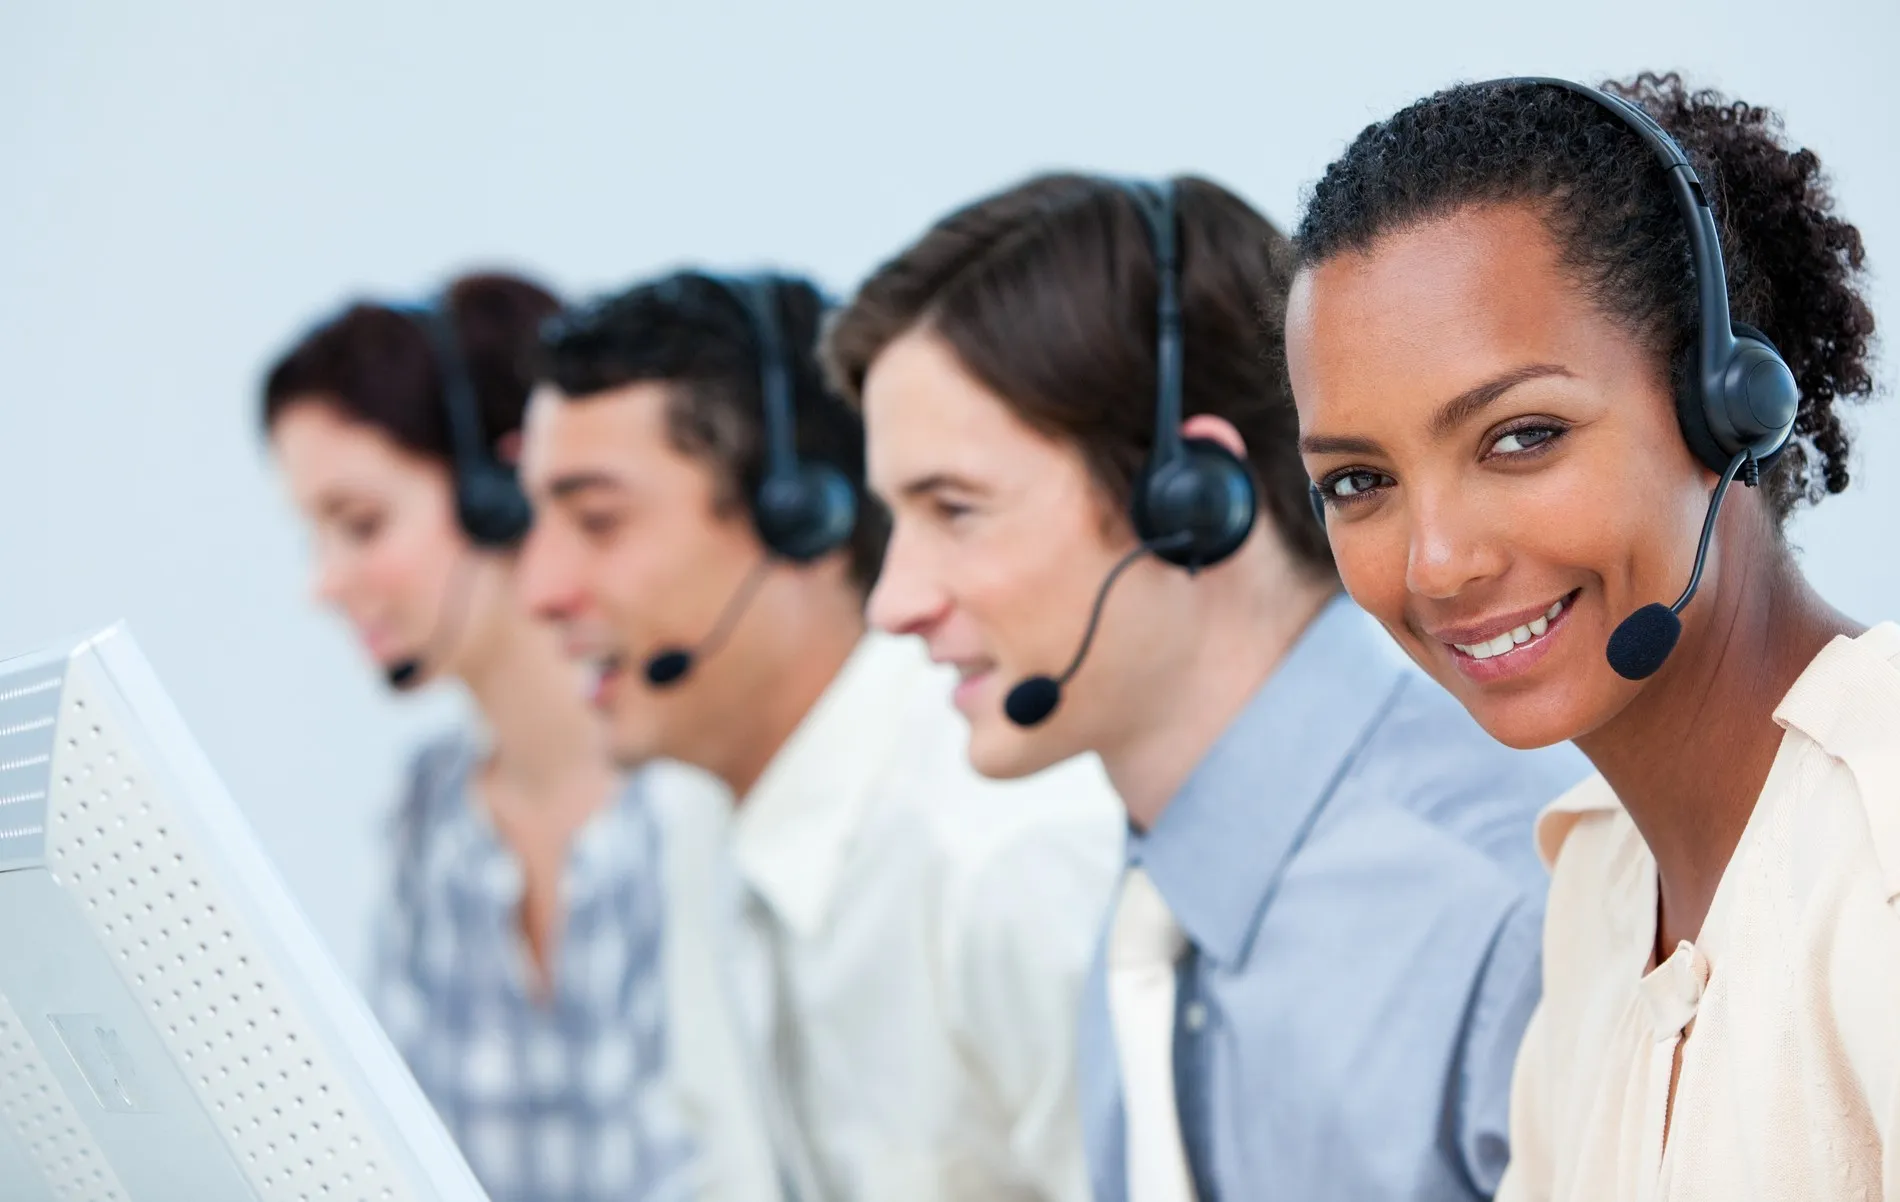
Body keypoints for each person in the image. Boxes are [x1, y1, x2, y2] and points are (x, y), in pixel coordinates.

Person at [1285, 72, 1900, 1201]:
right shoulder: (1601, 879)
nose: (1434, 561)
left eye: (1520, 436)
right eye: (1358, 479)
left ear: (1726, 408)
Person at [824, 173, 1588, 1202]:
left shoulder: (1500, 915)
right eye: (894, 520)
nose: (892, 601)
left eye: (953, 508)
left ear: (1191, 499)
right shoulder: (1150, 915)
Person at [515, 269, 1125, 1202]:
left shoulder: (1002, 860)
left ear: (801, 521)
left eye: (597, 520)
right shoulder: (697, 825)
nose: (540, 590)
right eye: (534, 524)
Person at [261, 272, 702, 1202]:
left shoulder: (697, 795)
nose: (323, 584)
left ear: (497, 492)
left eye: (361, 523)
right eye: (314, 537)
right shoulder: (429, 816)